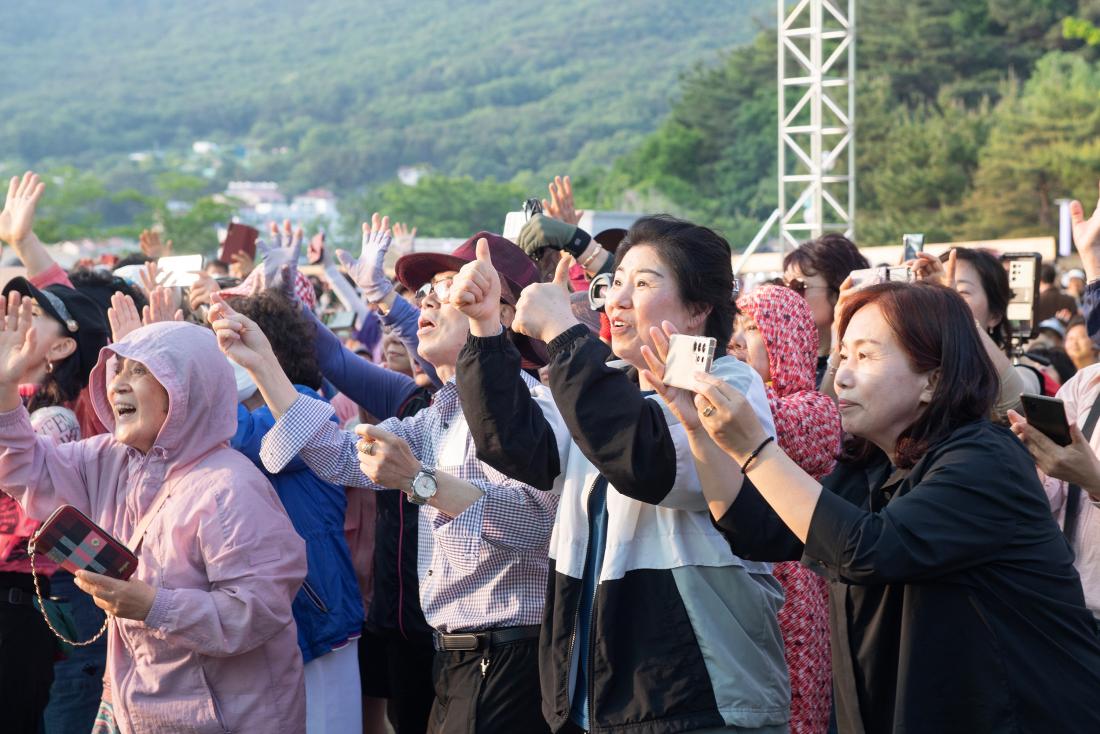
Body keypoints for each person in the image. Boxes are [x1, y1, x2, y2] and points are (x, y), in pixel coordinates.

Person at [689, 281, 1100, 732]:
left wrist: (758, 451)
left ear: (934, 379)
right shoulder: (871, 461)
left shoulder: (986, 460)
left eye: (865, 356)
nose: (842, 374)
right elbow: (758, 527)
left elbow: (868, 550)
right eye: (842, 355)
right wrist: (695, 429)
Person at [453, 216, 790, 733]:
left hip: (699, 698)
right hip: (600, 697)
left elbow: (647, 460)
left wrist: (563, 334)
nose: (617, 300)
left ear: (700, 308)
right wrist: (485, 330)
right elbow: (517, 447)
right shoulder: (608, 386)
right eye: (616, 283)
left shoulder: (727, 384)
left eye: (644, 283)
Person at [210, 231, 558, 734]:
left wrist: (420, 482)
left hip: (512, 656)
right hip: (454, 657)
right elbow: (337, 454)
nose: (429, 299)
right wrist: (263, 362)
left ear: (502, 314)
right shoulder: (437, 417)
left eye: (452, 286)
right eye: (426, 291)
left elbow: (535, 525)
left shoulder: (534, 408)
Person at [0, 305, 308, 733]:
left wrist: (153, 605)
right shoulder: (111, 459)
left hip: (229, 718)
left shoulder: (230, 486)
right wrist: (4, 390)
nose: (117, 384)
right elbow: (27, 469)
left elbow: (258, 611)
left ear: (186, 388)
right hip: (138, 709)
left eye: (140, 371)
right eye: (116, 370)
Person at [729, 284, 840, 734]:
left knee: (793, 710)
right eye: (733, 327)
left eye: (753, 327)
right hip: (738, 582)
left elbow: (753, 417)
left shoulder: (813, 409)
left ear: (787, 339)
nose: (736, 339)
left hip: (792, 589)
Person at [782, 233, 870, 385]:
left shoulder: (868, 359)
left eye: (798, 286)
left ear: (841, 290)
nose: (785, 295)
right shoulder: (783, 359)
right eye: (782, 285)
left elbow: (826, 407)